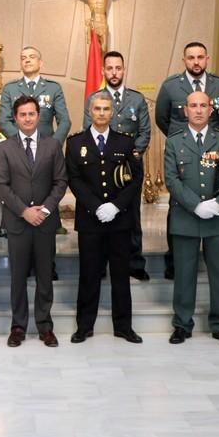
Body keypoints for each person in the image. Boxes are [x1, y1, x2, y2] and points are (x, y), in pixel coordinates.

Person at [164, 91, 219, 346]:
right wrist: (195, 205)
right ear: (185, 110)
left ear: (211, 110)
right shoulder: (174, 142)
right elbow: (171, 179)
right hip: (185, 218)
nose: (198, 110)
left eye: (203, 105)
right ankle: (182, 325)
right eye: (193, 105)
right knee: (184, 274)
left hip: (217, 218)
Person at [67, 92, 144, 344]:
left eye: (106, 109)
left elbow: (135, 179)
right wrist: (95, 206)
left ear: (113, 113)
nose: (101, 113)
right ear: (90, 111)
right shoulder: (76, 143)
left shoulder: (125, 142)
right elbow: (74, 178)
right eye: (97, 108)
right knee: (89, 274)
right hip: (90, 220)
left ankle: (124, 327)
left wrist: (116, 206)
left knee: (121, 275)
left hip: (119, 221)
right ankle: (84, 326)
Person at [0, 96, 68, 348]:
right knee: (18, 277)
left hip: (45, 222)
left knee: (45, 276)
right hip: (18, 222)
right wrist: (24, 211)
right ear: (15, 118)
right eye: (22, 114)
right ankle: (18, 326)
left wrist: (44, 209)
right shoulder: (4, 148)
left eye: (31, 114)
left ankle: (45, 326)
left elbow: (60, 182)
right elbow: (1, 186)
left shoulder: (52, 146)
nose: (27, 118)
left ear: (39, 116)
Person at [155, 42, 219, 279]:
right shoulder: (170, 86)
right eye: (191, 57)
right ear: (184, 60)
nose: (196, 62)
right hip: (183, 154)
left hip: (212, 151)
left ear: (207, 59)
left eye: (200, 57)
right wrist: (182, 143)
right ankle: (174, 263)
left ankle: (216, 263)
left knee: (213, 200)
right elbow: (161, 118)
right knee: (179, 206)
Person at [83, 50, 151, 281]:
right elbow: (87, 130)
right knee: (102, 213)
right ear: (103, 71)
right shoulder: (95, 98)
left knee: (131, 213)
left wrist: (131, 155)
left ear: (124, 70)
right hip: (101, 165)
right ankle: (101, 264)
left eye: (118, 68)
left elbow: (144, 131)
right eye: (109, 68)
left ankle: (134, 262)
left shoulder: (137, 99)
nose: (114, 72)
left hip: (130, 166)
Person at [0, 46, 70, 144]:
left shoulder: (53, 88)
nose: (27, 60)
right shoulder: (10, 89)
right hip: (18, 147)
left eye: (32, 57)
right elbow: (4, 121)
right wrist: (22, 141)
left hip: (46, 147)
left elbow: (64, 121)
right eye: (23, 58)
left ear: (40, 63)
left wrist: (54, 145)